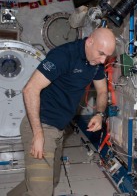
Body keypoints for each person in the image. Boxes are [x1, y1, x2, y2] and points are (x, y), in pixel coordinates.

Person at [7, 27, 116, 196]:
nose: (103, 60)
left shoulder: (95, 63)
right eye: (101, 53)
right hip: (40, 127)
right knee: (41, 191)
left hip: (59, 129)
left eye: (106, 56)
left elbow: (102, 91)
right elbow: (30, 90)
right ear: (89, 42)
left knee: (52, 180)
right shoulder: (63, 56)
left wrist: (99, 114)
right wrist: (38, 134)